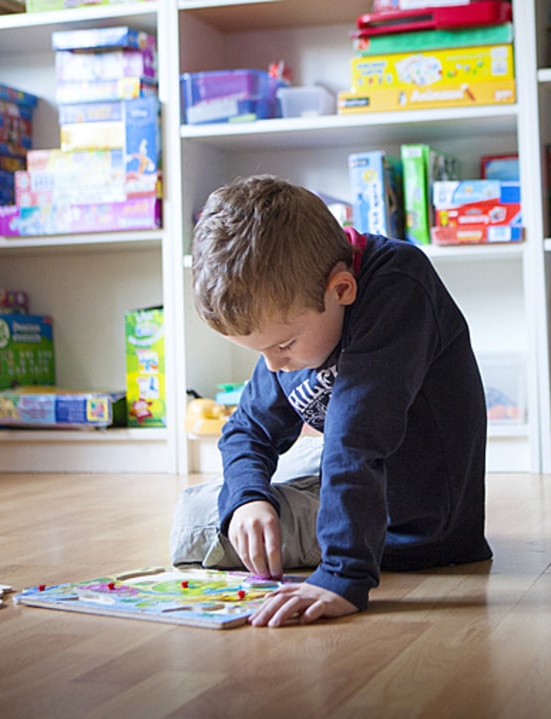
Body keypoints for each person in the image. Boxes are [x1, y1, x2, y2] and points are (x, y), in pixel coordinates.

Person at [179, 174, 493, 627]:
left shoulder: (399, 286)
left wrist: (341, 576)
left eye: (283, 345)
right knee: (222, 507)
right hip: (341, 486)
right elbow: (247, 429)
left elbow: (356, 440)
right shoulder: (295, 312)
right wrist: (249, 499)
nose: (272, 365)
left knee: (193, 526)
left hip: (413, 531)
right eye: (260, 351)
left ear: (341, 289)